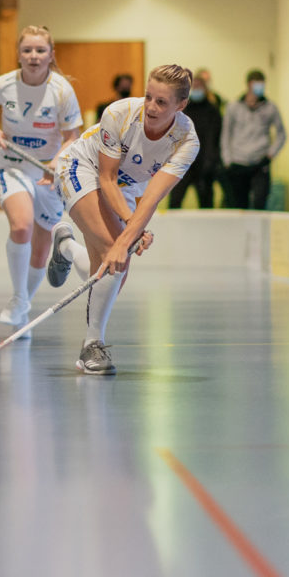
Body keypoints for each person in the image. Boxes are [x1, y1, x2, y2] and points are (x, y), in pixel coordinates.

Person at [47, 65, 199, 374]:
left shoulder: (187, 141)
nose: (151, 108)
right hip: (81, 167)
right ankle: (92, 344)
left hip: (129, 186)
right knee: (112, 249)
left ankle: (65, 247)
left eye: (162, 102)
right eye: (148, 97)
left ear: (181, 105)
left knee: (115, 261)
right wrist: (130, 230)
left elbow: (153, 197)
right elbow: (106, 178)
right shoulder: (119, 113)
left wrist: (131, 231)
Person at [0, 25, 82, 329]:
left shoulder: (61, 89)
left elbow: (73, 134)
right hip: (12, 166)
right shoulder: (5, 84)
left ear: (51, 55)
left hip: (48, 172)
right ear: (18, 54)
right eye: (27, 50)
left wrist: (58, 161)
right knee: (21, 226)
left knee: (42, 248)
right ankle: (19, 298)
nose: (34, 56)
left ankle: (23, 305)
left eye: (40, 50)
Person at [220, 69, 285, 210]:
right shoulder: (233, 107)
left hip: (260, 163)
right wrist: (227, 161)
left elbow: (281, 134)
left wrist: (270, 155)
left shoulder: (270, 108)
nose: (260, 88)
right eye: (257, 84)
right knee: (239, 205)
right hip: (238, 162)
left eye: (262, 84)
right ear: (249, 85)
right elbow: (226, 134)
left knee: (260, 202)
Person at [168, 74, 222, 209]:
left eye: (199, 87)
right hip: (182, 163)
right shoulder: (181, 110)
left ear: (205, 89)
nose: (196, 89)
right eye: (194, 87)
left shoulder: (213, 111)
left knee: (206, 204)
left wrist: (210, 161)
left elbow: (215, 139)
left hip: (204, 165)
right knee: (175, 201)